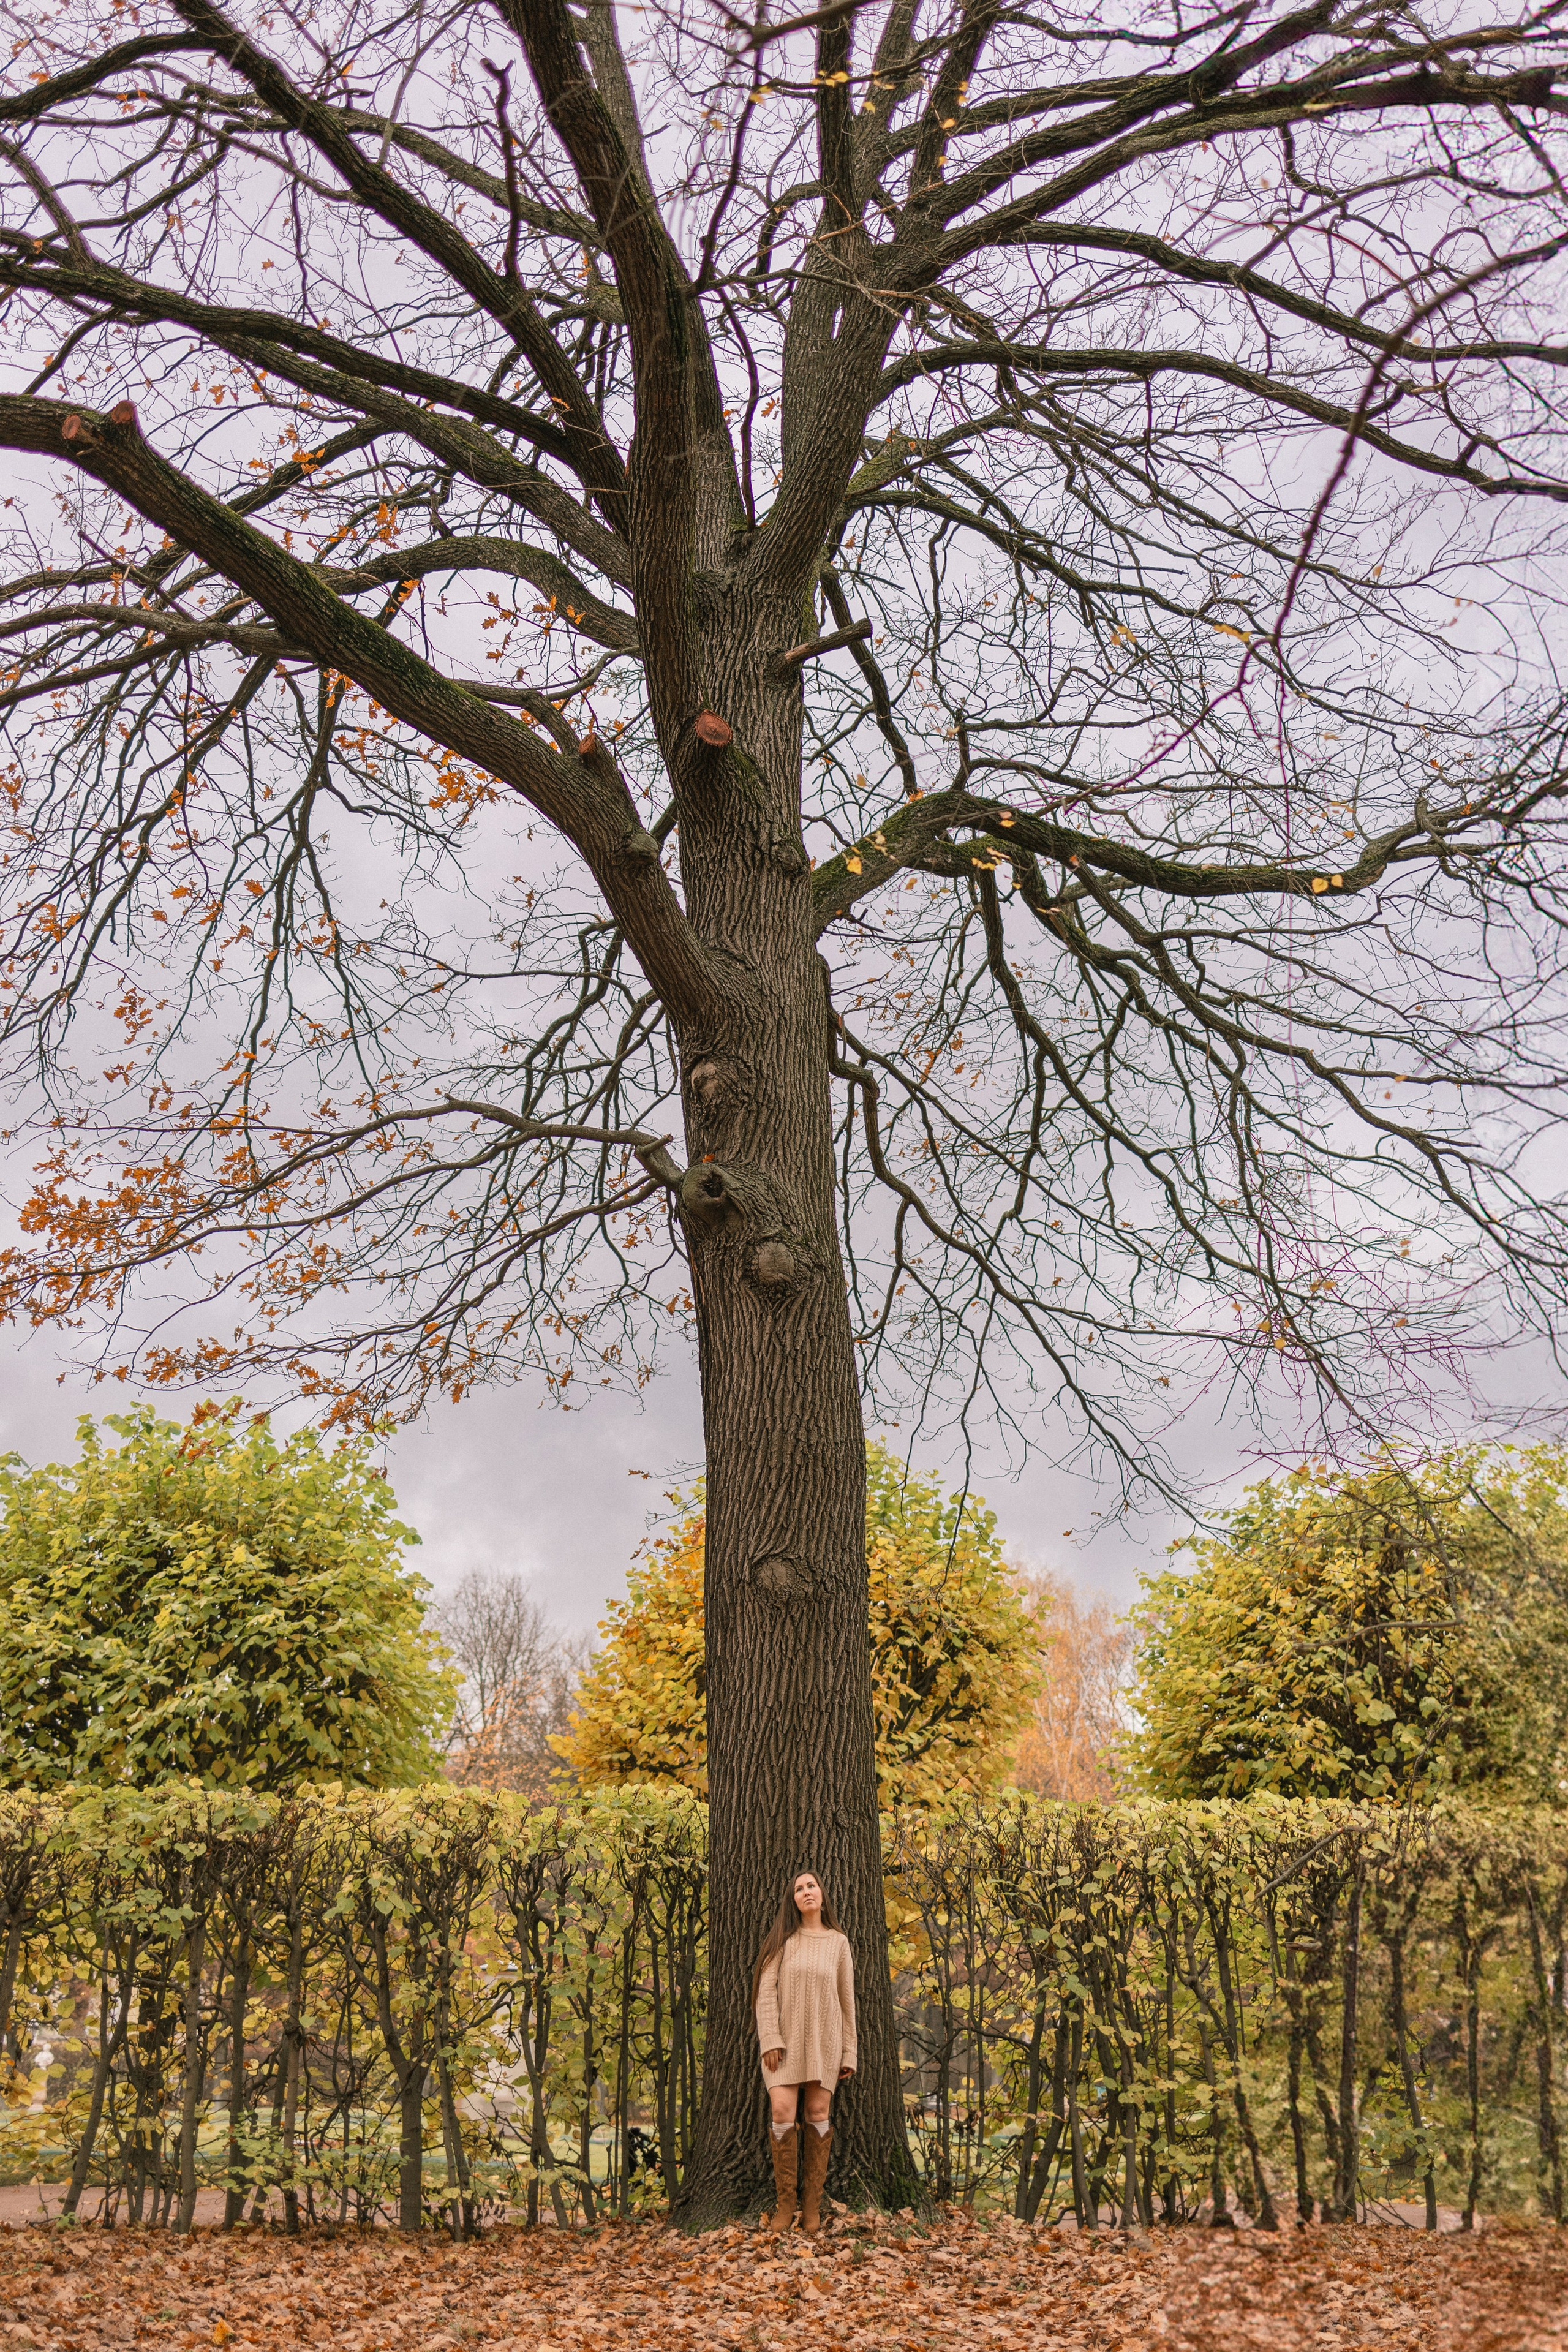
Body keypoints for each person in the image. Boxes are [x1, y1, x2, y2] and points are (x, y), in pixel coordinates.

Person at [752, 1868, 856, 2235]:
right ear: (793, 1900)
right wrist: (771, 2039)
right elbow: (765, 1991)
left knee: (817, 2113)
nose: (806, 1892)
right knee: (782, 2111)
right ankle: (786, 2206)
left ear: (823, 1895)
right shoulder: (783, 1940)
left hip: (825, 2045)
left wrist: (850, 2053)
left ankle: (811, 2208)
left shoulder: (838, 1943)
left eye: (812, 1885)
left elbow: (847, 2001)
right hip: (784, 2046)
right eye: (799, 1888)